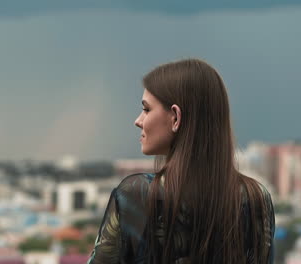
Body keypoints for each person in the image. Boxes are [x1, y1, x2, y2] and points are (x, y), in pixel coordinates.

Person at [87, 59, 275, 264]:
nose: (138, 121)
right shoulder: (256, 198)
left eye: (146, 109)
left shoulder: (136, 194)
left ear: (176, 117)